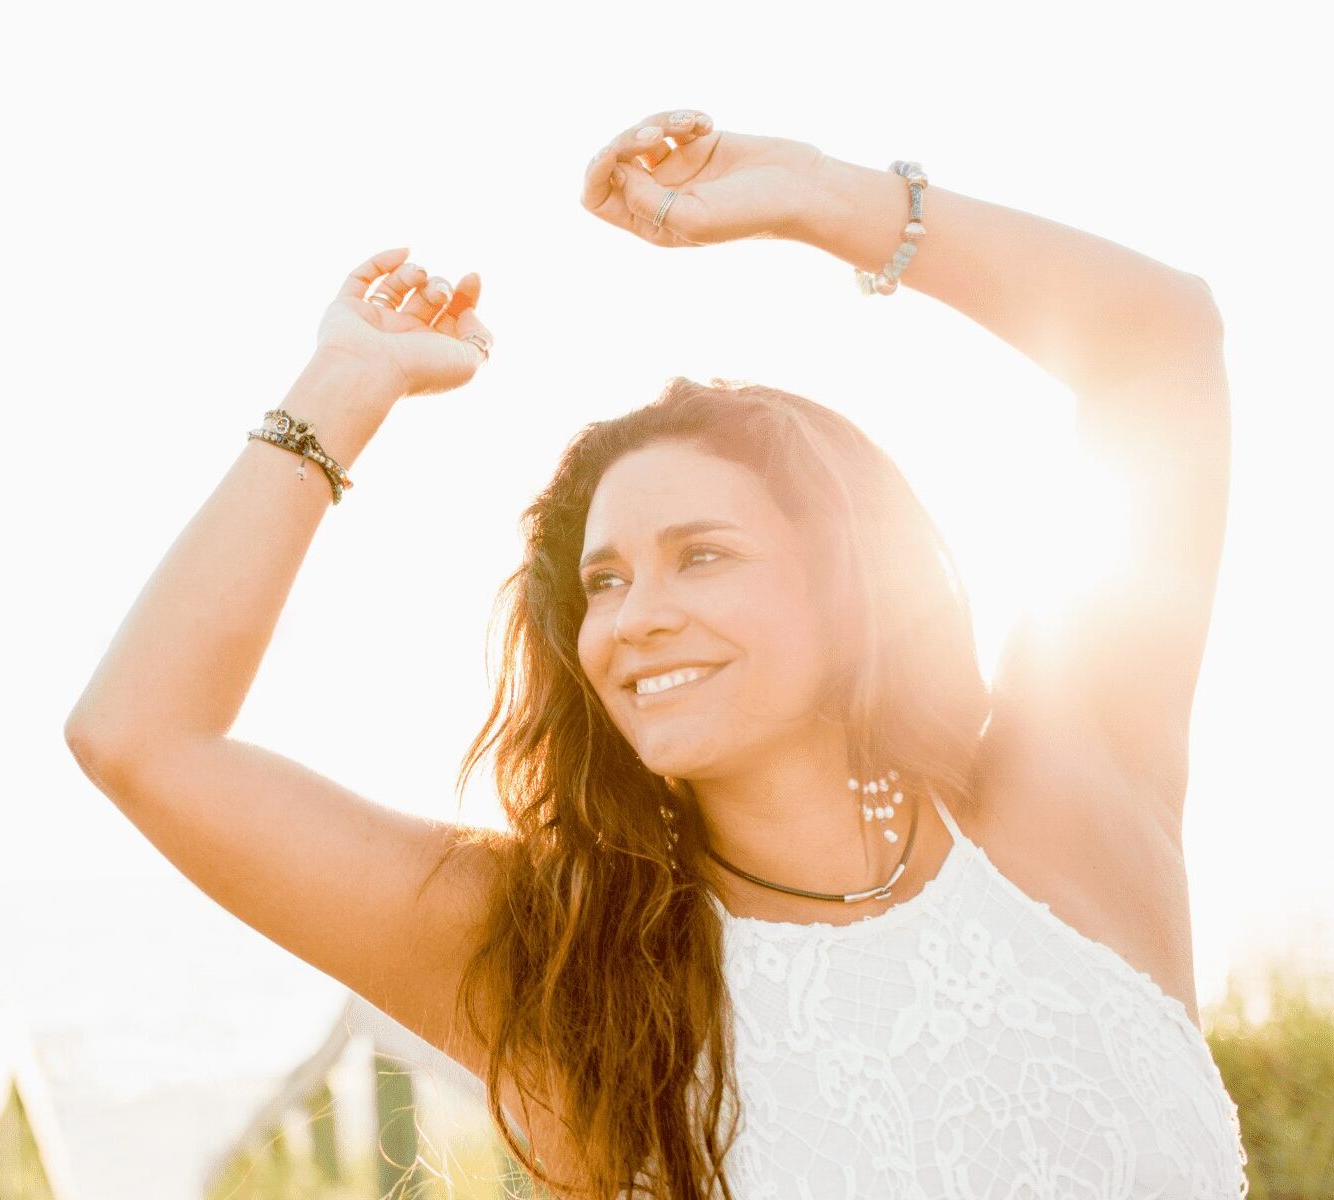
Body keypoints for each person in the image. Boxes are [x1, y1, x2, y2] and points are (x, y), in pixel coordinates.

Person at [64, 107, 1247, 1199]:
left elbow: (1160, 347)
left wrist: (819, 196)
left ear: (851, 589)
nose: (633, 618)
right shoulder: (562, 964)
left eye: (703, 556)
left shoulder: (1063, 812)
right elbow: (141, 739)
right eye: (604, 582)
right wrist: (346, 382)